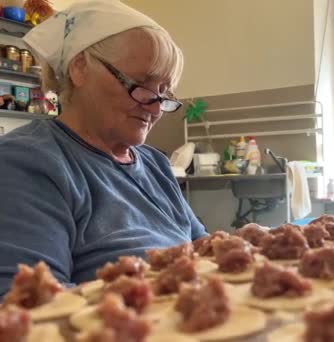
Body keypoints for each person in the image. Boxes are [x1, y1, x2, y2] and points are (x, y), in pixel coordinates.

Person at [0, 0, 206, 295]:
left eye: (164, 91)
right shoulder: (27, 162)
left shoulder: (154, 164)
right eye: (142, 83)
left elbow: (205, 253)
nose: (156, 108)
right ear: (80, 68)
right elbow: (29, 308)